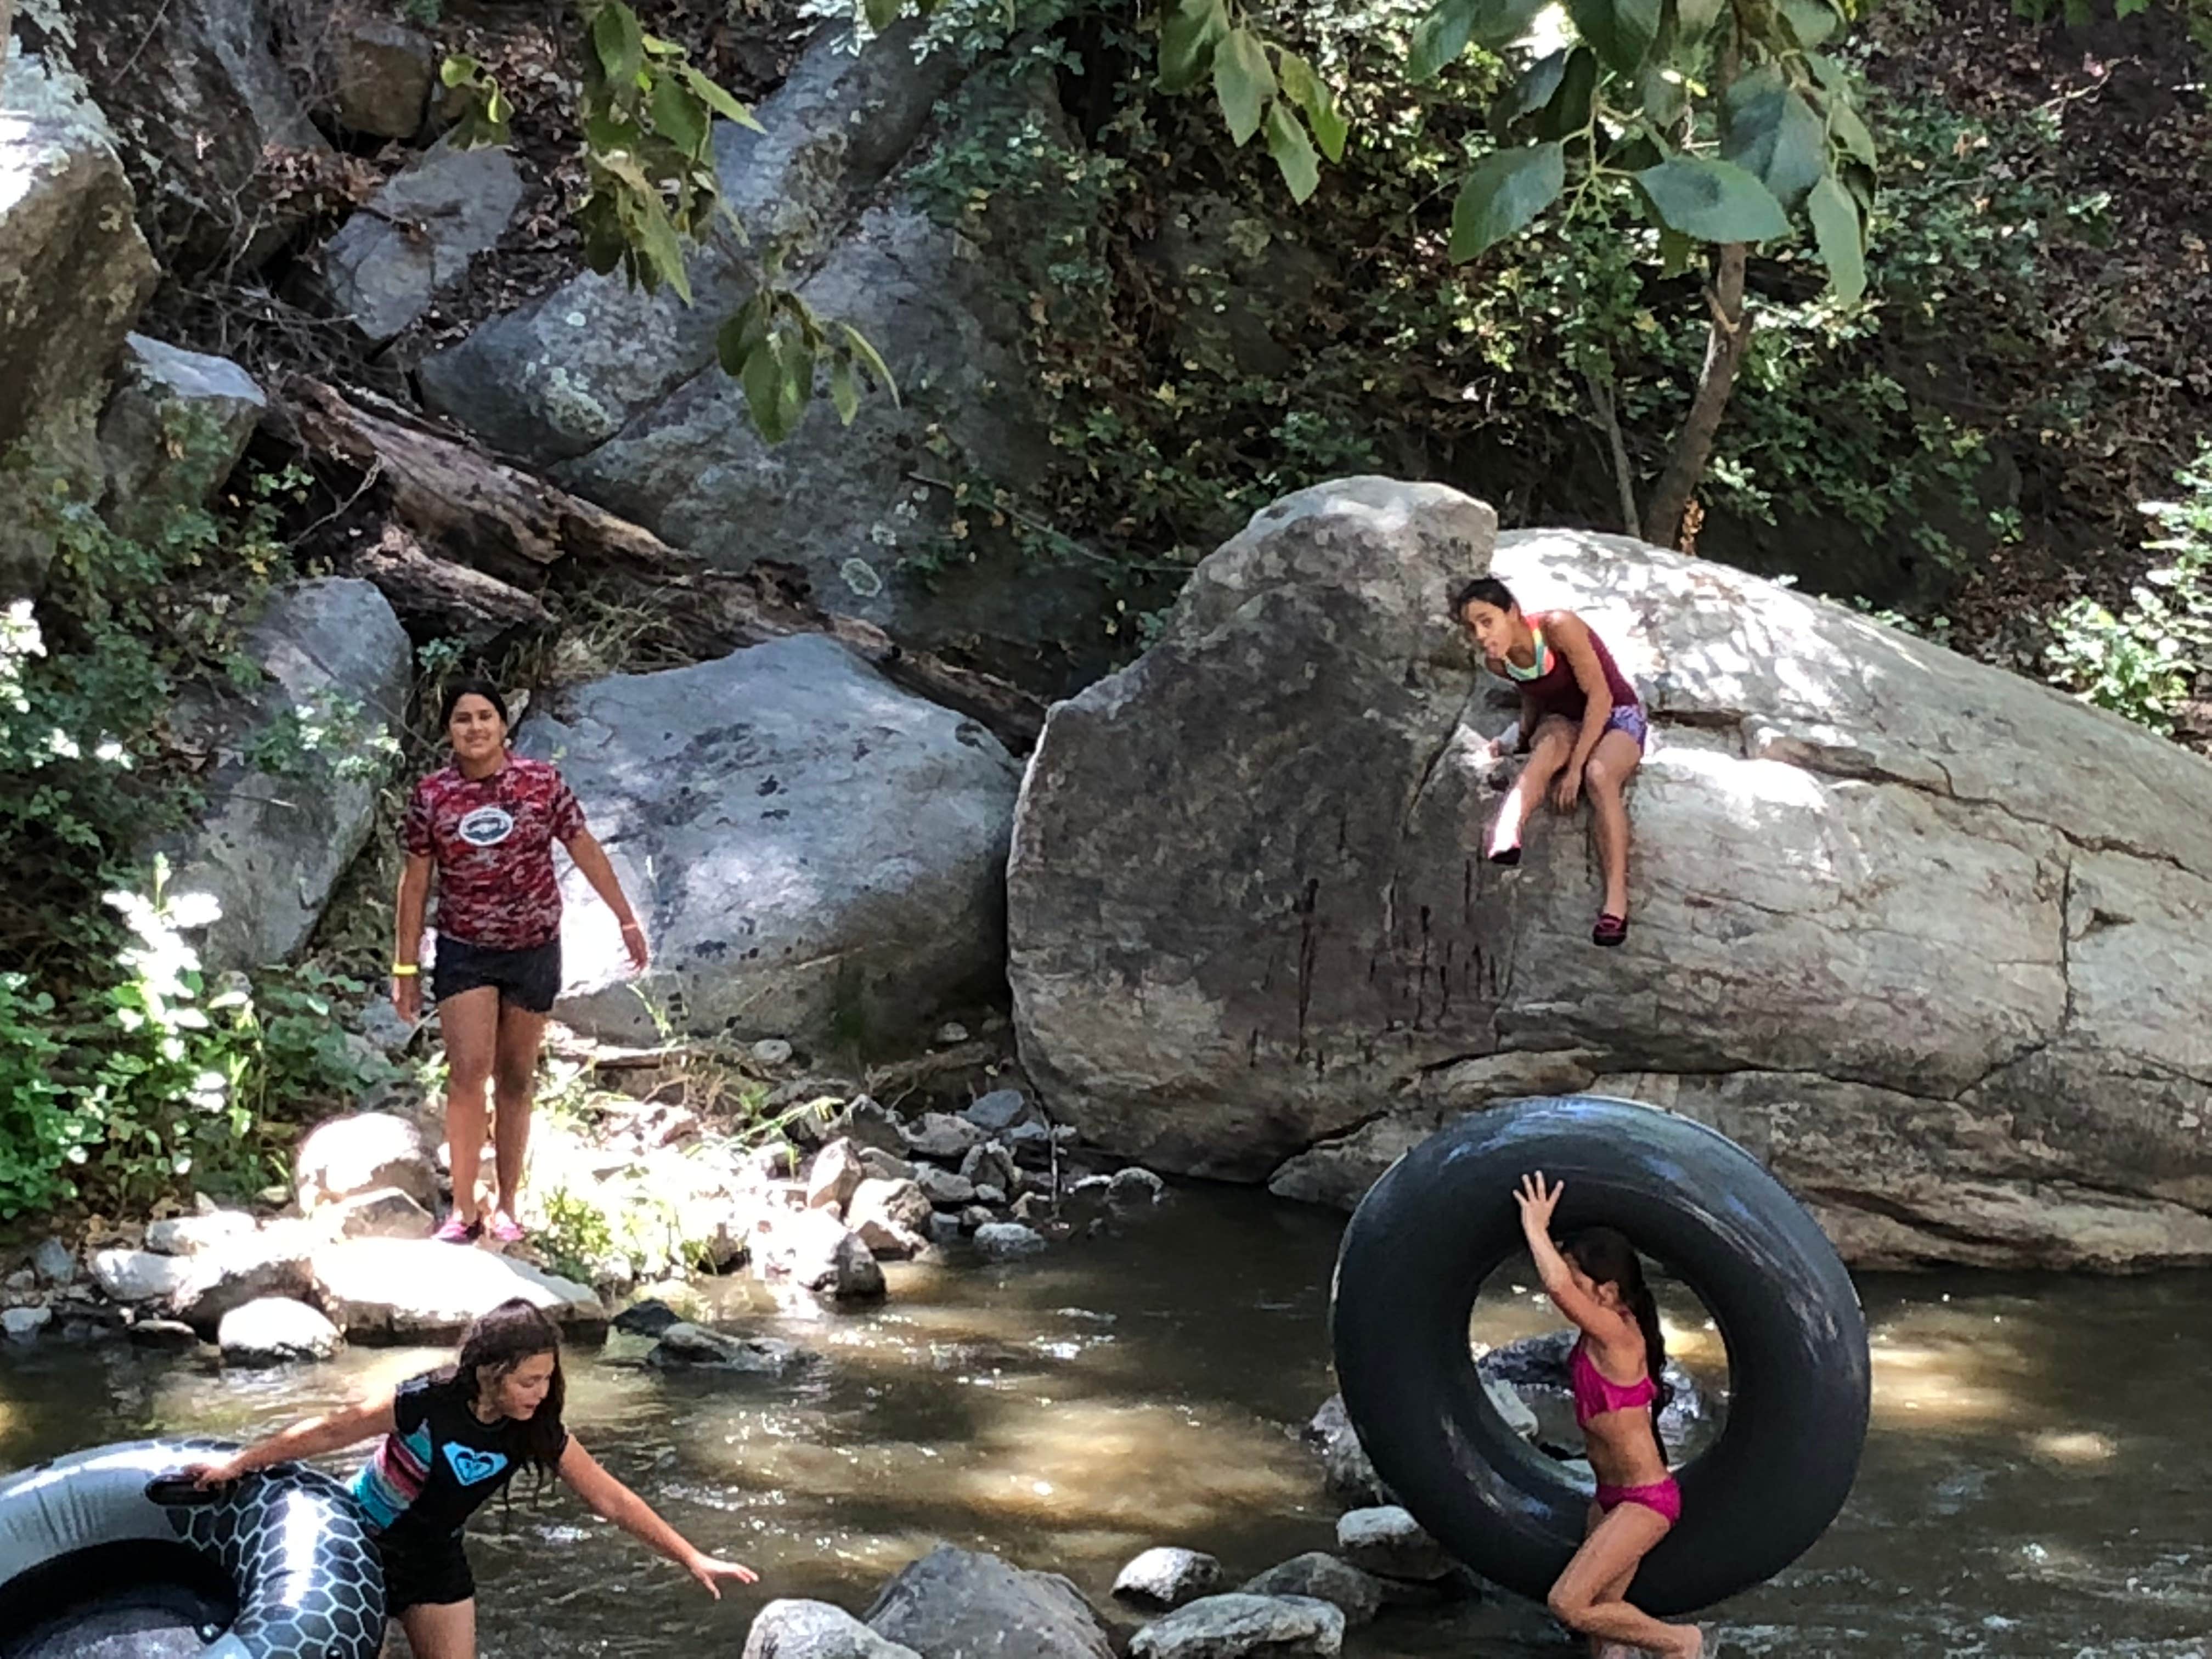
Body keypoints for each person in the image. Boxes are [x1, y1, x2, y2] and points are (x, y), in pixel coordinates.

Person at [181, 1299, 756, 1659]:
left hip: (435, 1562)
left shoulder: (535, 1430)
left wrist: (691, 1556)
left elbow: (610, 1498)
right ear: (489, 1371)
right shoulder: (426, 1400)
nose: (540, 1392)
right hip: (361, 1548)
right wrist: (238, 1464)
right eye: (528, 1381)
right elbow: (332, 1431)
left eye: (546, 1379)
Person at [395, 679, 649, 1245]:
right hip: (465, 950)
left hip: (533, 947)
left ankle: (508, 1204)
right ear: (449, 731)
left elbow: (583, 846)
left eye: (485, 716)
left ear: (503, 724)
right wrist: (405, 967)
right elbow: (415, 884)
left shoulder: (540, 783)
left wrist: (626, 919)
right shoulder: (433, 796)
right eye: (463, 719)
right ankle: (463, 1210)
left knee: (515, 1079)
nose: (476, 728)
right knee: (467, 1076)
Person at [1513, 1172, 1707, 1659]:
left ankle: (1683, 1643)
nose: (1571, 1286)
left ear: (1606, 1291)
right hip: (1609, 1497)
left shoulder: (1619, 1334)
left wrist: (1534, 1225)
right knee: (1602, 1635)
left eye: (1582, 1279)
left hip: (1645, 1501)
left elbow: (1557, 1287)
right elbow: (1562, 1283)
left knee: (1568, 1604)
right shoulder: (1599, 1330)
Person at [1453, 577, 1646, 947]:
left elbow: (1601, 696)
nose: (1479, 634)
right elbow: (1534, 696)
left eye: (1486, 620)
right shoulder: (1500, 662)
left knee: (1598, 776)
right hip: (1564, 721)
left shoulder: (1558, 627)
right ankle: (1507, 832)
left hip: (1615, 713)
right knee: (1546, 750)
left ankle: (1616, 902)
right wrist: (1518, 739)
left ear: (1511, 612)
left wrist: (1575, 768)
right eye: (1471, 627)